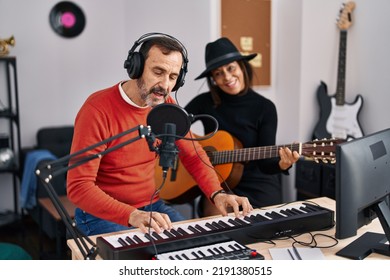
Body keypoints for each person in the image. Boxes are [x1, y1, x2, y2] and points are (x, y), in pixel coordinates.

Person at [66, 33, 252, 236]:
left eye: (173, 77)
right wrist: (132, 215)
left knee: (197, 243)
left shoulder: (166, 107)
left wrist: (217, 194)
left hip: (152, 207)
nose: (165, 85)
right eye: (158, 72)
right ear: (135, 68)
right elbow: (79, 186)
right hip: (102, 215)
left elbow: (194, 156)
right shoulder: (97, 110)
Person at [185, 37, 300, 217]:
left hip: (258, 183)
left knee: (262, 226)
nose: (227, 77)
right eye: (218, 73)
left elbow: (266, 165)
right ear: (213, 79)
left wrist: (282, 164)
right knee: (216, 216)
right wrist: (187, 150)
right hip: (220, 185)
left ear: (241, 66)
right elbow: (173, 126)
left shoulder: (265, 108)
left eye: (231, 68)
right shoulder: (204, 103)